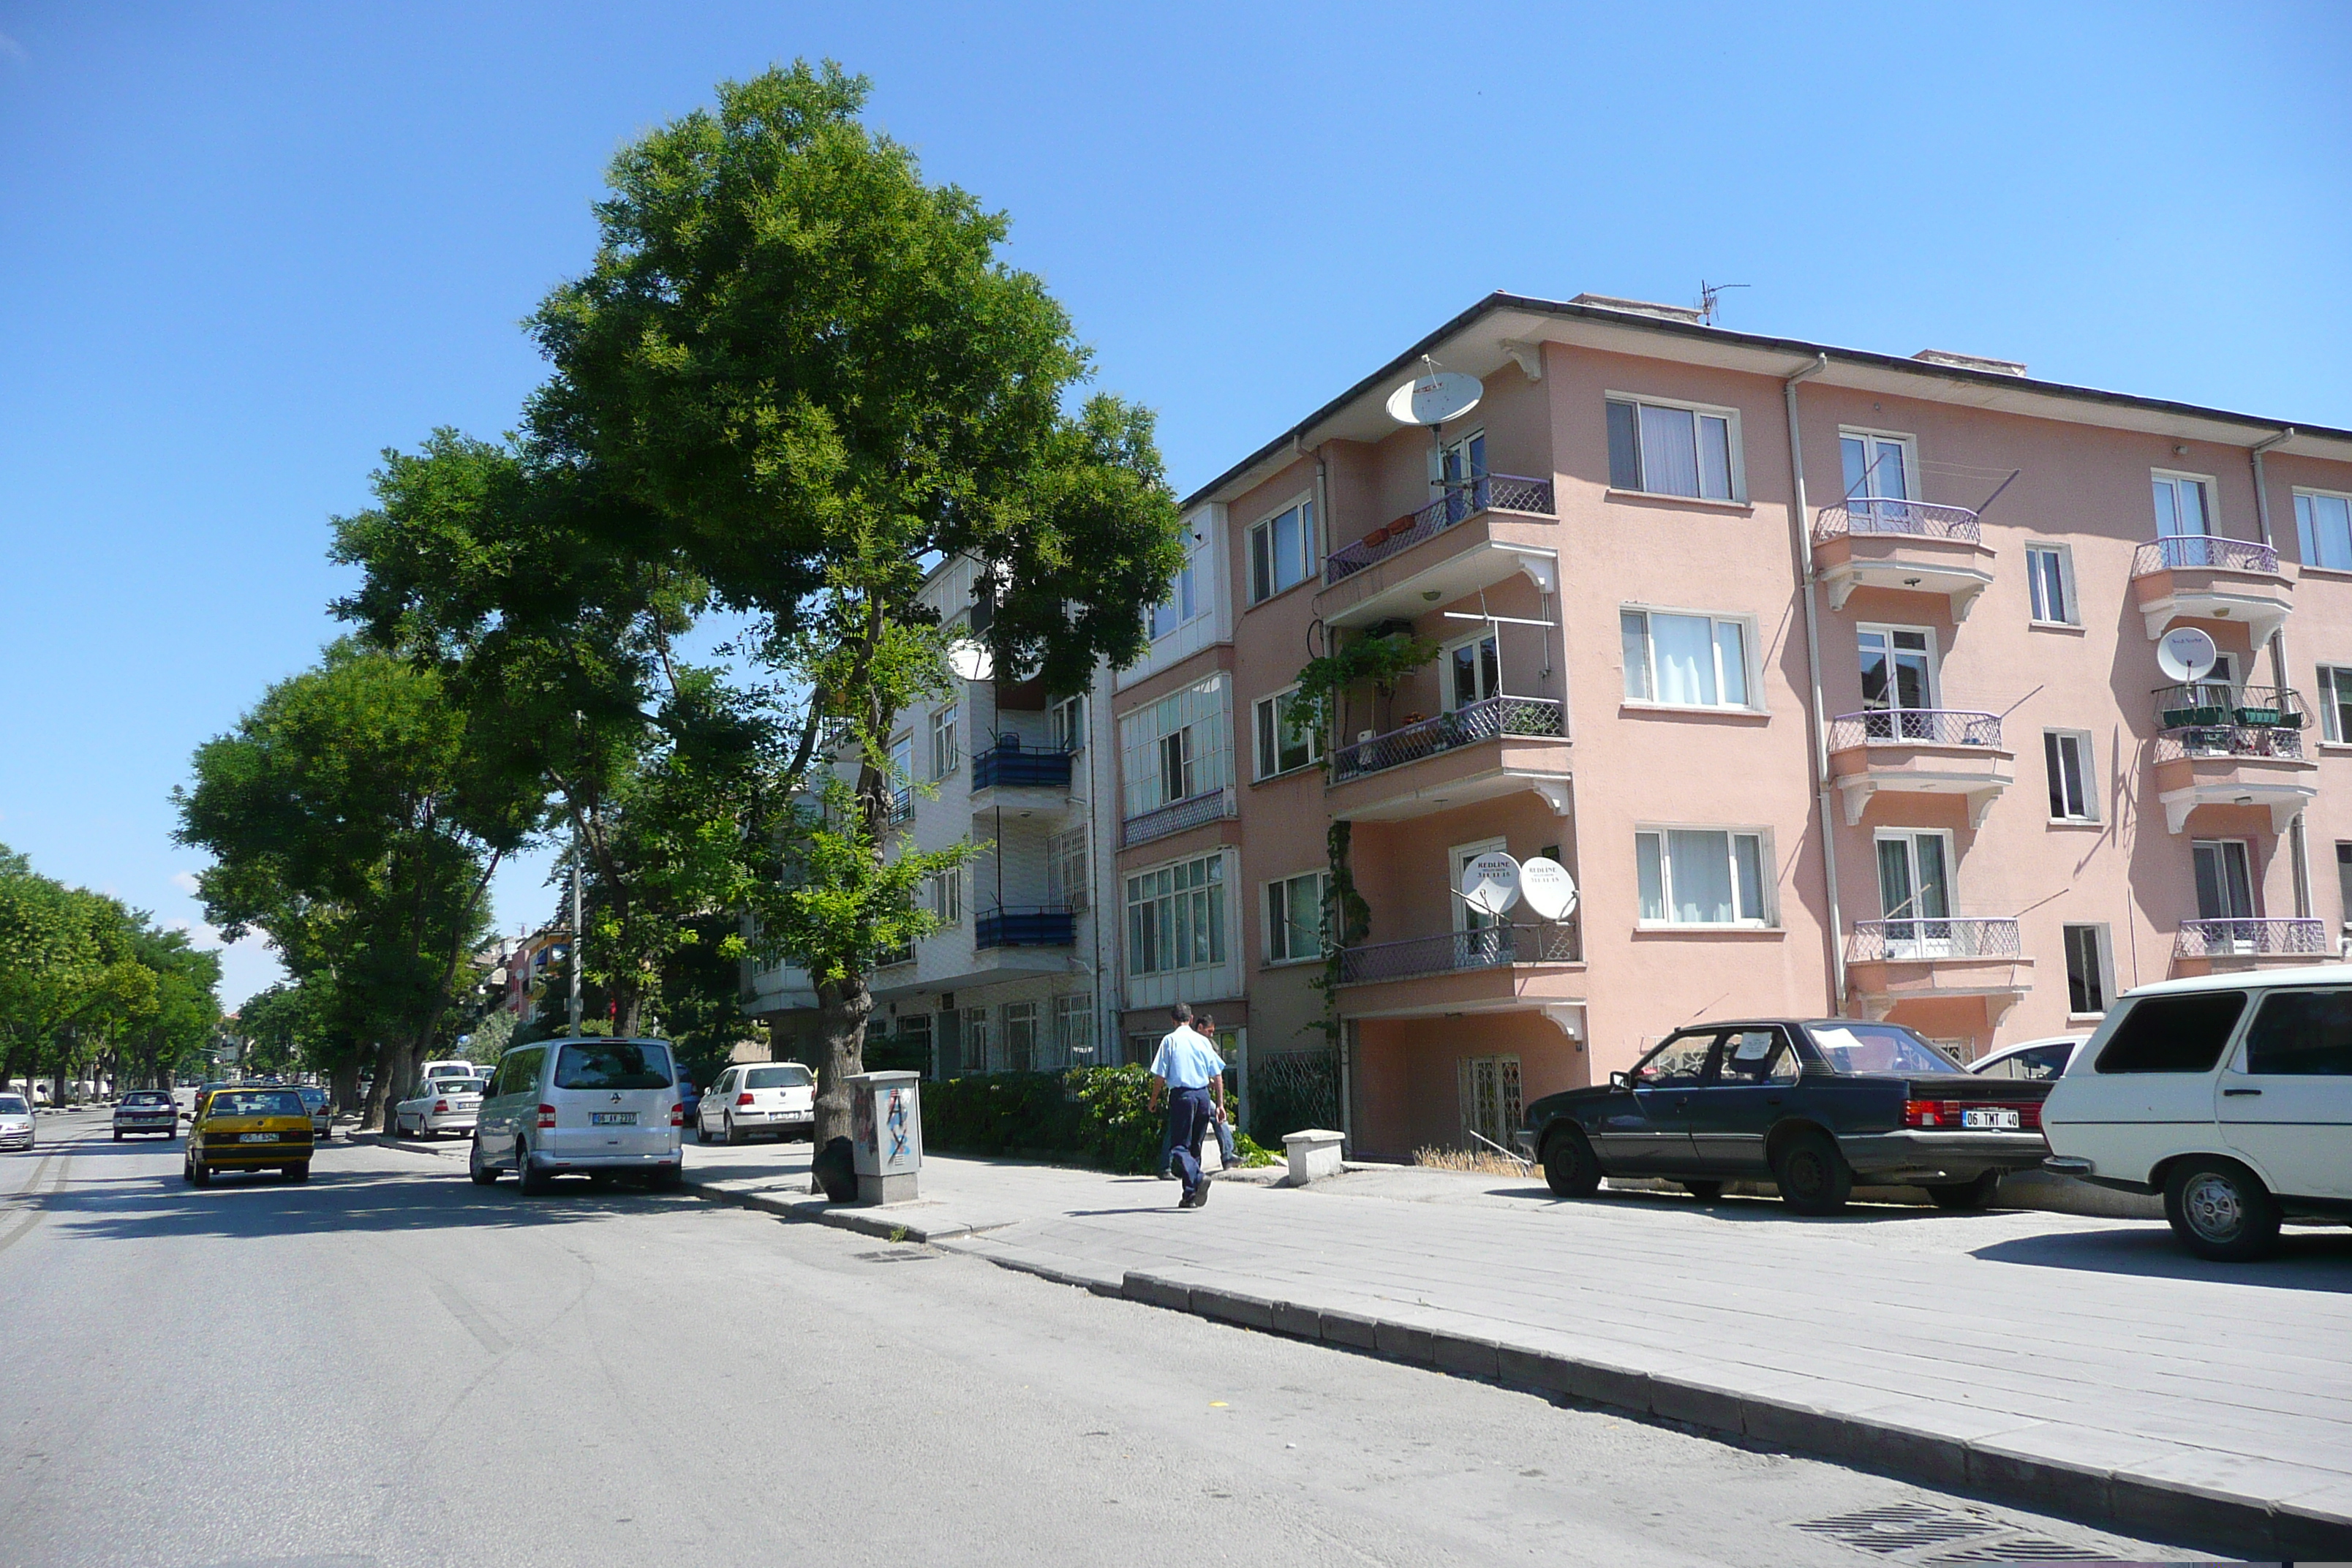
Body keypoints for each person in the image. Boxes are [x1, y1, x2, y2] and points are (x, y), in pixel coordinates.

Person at [1147, 1003, 1225, 1209]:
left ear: (1173, 1020)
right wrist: (1220, 1104)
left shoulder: (1169, 1041)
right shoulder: (1202, 1041)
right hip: (1203, 1096)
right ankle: (1189, 1195)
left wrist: (1153, 1100)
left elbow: (1160, 1076)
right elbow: (1217, 1073)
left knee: (1179, 1146)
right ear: (1191, 1020)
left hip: (1182, 1096)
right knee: (1195, 1148)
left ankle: (1198, 1177)